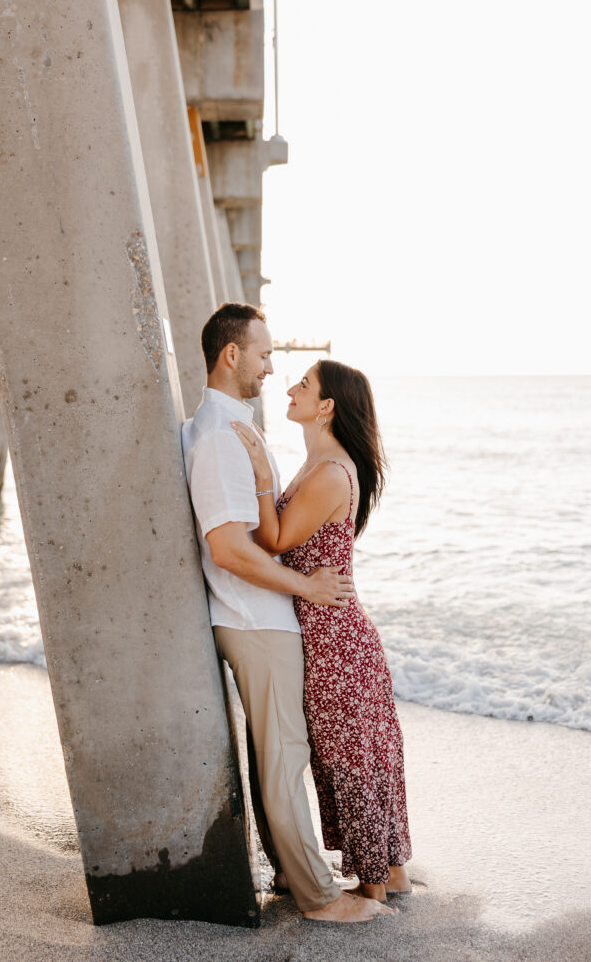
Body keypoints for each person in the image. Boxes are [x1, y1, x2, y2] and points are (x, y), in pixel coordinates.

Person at [181, 303, 395, 923]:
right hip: (257, 619)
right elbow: (229, 548)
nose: (274, 367)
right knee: (285, 759)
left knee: (277, 756)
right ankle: (320, 898)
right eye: (266, 354)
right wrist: (305, 586)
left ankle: (295, 873)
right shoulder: (221, 435)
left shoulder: (228, 430)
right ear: (233, 355)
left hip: (264, 617)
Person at [232, 358, 412, 902]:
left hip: (334, 636)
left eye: (303, 385)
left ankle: (372, 889)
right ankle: (390, 874)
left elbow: (277, 540)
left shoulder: (331, 472)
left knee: (346, 757)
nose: (289, 388)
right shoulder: (320, 466)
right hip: (332, 630)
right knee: (361, 753)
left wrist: (261, 478)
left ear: (327, 406)